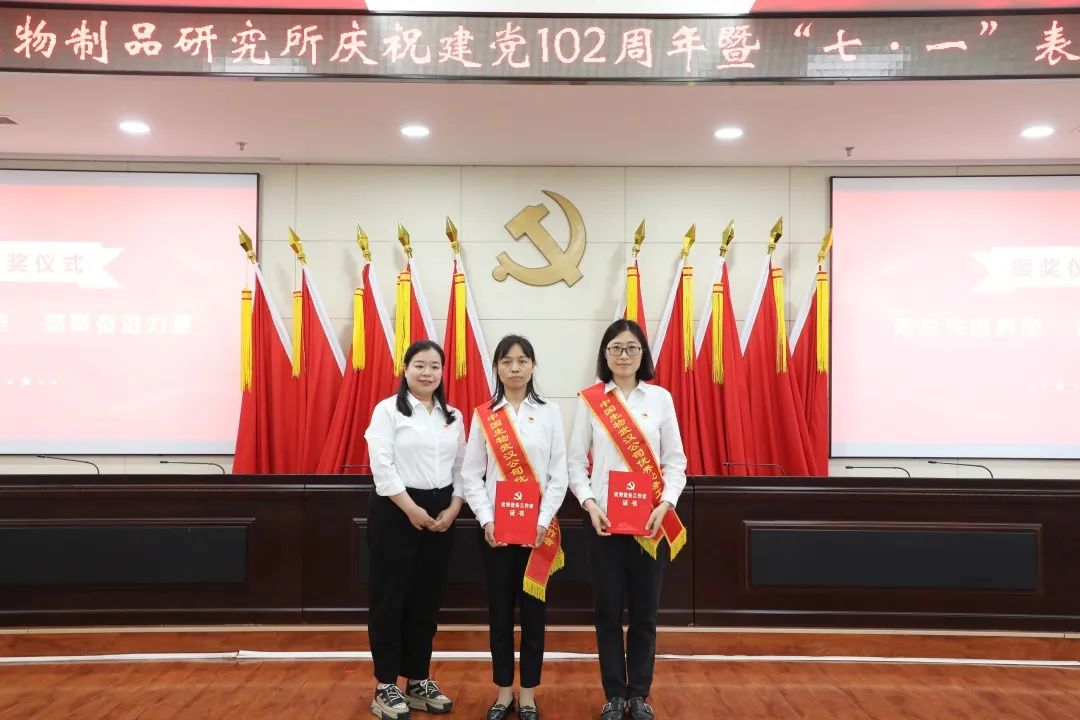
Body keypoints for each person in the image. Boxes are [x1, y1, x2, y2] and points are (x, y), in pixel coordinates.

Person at [567, 319, 688, 720]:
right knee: (607, 613)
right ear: (605, 354)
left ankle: (638, 694)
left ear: (642, 354)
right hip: (602, 523)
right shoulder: (590, 400)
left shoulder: (660, 399)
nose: (623, 355)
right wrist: (589, 503)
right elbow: (575, 462)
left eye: (631, 348)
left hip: (650, 523)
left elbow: (675, 462)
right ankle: (614, 695)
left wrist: (665, 504)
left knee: (644, 614)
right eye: (616, 348)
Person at [461, 335, 569, 720]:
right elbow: (471, 475)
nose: (515, 368)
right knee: (500, 615)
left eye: (523, 360)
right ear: (497, 368)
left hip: (538, 534)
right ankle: (504, 691)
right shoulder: (484, 415)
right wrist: (486, 519)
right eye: (507, 361)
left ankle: (528, 694)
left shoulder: (550, 413)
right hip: (497, 535)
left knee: (534, 617)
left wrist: (541, 521)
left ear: (533, 366)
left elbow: (559, 474)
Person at [364, 339, 466, 719]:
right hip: (397, 511)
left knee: (427, 599)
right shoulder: (387, 411)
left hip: (441, 513)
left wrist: (454, 508)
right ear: (405, 369)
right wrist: (410, 509)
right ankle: (386, 684)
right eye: (419, 365)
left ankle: (418, 680)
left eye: (435, 366)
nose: (427, 373)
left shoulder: (453, 416)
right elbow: (382, 467)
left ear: (442, 372)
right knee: (391, 598)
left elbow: (462, 468)